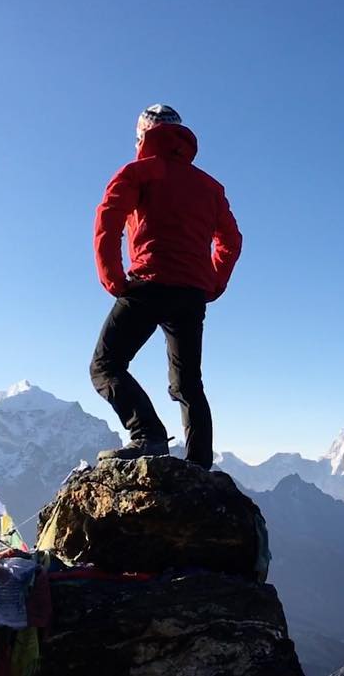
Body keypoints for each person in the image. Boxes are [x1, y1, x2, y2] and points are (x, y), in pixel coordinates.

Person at [90, 105, 242, 468]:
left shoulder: (137, 173)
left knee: (106, 366)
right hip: (191, 294)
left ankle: (148, 435)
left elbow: (107, 224)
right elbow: (231, 241)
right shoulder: (209, 186)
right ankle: (199, 465)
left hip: (148, 284)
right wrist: (212, 283)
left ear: (143, 136)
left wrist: (113, 279)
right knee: (188, 383)